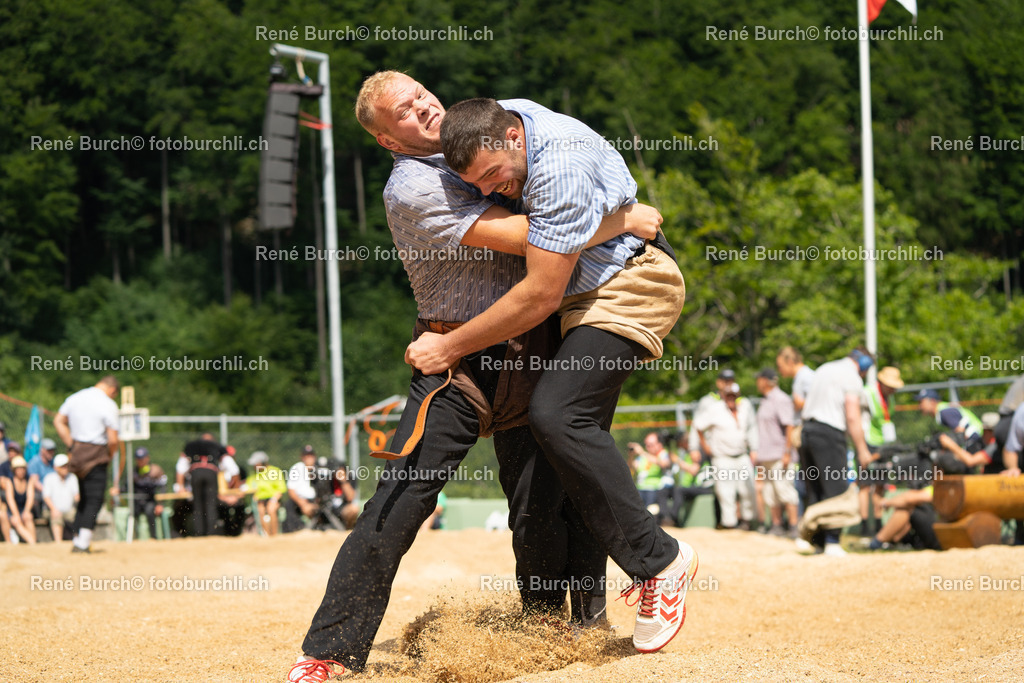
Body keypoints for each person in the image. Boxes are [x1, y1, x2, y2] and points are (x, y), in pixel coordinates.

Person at [288, 72, 661, 682]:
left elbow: (559, 202)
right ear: (388, 141)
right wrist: (621, 219)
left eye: (419, 93)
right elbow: (533, 237)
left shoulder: (487, 138)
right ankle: (330, 650)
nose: (421, 107)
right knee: (402, 497)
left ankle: (553, 632)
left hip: (532, 346)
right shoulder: (413, 184)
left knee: (543, 503)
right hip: (456, 359)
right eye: (403, 111)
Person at [412, 95, 697, 653]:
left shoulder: (559, 164)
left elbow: (540, 292)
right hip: (583, 297)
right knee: (571, 448)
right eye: (477, 184)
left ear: (513, 138)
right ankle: (587, 623)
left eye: (493, 176)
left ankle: (661, 562)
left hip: (626, 286)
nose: (491, 190)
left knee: (558, 415)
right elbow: (541, 234)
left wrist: (448, 347)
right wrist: (616, 219)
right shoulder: (504, 122)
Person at [797, 348, 875, 556]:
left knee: (815, 489)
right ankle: (832, 542)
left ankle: (816, 542)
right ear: (864, 365)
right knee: (836, 488)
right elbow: (852, 416)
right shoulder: (851, 376)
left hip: (806, 432)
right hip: (829, 434)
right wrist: (862, 449)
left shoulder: (824, 368)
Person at [53, 375, 120, 553]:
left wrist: (71, 445)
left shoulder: (75, 398)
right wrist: (110, 455)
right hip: (97, 454)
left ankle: (77, 538)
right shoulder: (108, 404)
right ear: (112, 390)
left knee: (84, 497)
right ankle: (83, 543)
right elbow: (113, 440)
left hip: (77, 455)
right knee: (95, 499)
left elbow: (58, 421)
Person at [693, 382, 759, 530]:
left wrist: (754, 449)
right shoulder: (715, 409)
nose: (731, 399)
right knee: (726, 492)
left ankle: (747, 521)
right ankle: (730, 524)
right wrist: (705, 446)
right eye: (728, 395)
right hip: (722, 457)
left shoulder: (744, 408)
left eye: (733, 396)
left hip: (742, 455)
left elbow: (751, 429)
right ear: (723, 396)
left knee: (747, 490)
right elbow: (698, 425)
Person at [859, 366, 904, 536]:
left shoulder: (890, 398)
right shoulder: (868, 393)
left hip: (883, 445)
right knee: (865, 485)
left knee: (879, 484)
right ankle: (864, 526)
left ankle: (878, 525)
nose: (893, 390)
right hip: (867, 443)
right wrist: (862, 449)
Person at [754, 368, 799, 537]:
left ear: (765, 381)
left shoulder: (781, 399)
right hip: (766, 455)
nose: (757, 382)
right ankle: (776, 525)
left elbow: (789, 426)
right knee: (770, 493)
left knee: (785, 490)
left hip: (779, 454)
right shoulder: (765, 400)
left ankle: (793, 527)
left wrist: (787, 452)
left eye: (759, 379)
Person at [176, 435, 226, 537]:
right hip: (211, 473)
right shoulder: (217, 446)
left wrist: (180, 486)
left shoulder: (191, 446)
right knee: (211, 504)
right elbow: (232, 467)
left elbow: (180, 467)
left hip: (196, 473)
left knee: (197, 504)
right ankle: (212, 532)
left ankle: (199, 533)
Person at [916, 389, 985, 454]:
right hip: (977, 438)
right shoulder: (942, 409)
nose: (920, 406)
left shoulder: (944, 412)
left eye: (921, 402)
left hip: (977, 438)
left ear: (932, 401)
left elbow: (960, 432)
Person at [121, 447, 166, 540]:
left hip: (150, 500)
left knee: (150, 511)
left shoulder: (155, 470)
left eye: (142, 458)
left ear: (147, 458)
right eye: (138, 459)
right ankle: (133, 538)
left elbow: (163, 487)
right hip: (137, 501)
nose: (140, 461)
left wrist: (160, 504)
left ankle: (153, 537)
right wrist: (117, 490)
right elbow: (125, 487)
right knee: (132, 513)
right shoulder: (133, 472)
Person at [246, 451, 287, 536]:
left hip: (273, 498)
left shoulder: (275, 471)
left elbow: (281, 489)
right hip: (260, 500)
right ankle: (266, 535)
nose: (254, 466)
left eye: (256, 464)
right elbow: (250, 488)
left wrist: (273, 500)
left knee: (271, 509)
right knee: (260, 511)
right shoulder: (253, 474)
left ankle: (274, 535)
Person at [43, 453, 79, 542]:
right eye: (62, 466)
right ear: (56, 467)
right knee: (56, 516)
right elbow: (46, 497)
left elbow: (77, 497)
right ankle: (58, 543)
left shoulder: (73, 477)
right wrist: (54, 509)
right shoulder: (49, 478)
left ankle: (78, 541)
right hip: (52, 510)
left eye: (66, 466)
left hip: (70, 511)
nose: (65, 468)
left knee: (79, 516)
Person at [628, 432, 669, 509]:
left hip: (654, 489)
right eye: (646, 445)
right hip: (640, 489)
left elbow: (664, 464)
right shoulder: (643, 457)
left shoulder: (662, 454)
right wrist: (631, 456)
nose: (648, 447)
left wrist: (642, 452)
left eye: (651, 445)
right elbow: (630, 467)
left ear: (659, 445)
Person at [284, 445, 319, 533]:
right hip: (300, 499)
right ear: (302, 457)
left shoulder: (320, 468)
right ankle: (295, 531)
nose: (308, 458)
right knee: (289, 504)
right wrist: (303, 504)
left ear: (314, 457)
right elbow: (291, 490)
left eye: (310, 455)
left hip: (316, 500)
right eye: (306, 456)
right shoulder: (297, 468)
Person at [4, 456, 37, 544]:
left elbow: (30, 498)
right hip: (12, 511)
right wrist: (16, 514)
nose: (21, 471)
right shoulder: (9, 481)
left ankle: (33, 543)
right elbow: (10, 500)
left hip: (24, 509)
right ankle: (32, 542)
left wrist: (26, 511)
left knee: (28, 517)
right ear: (14, 470)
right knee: (16, 521)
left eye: (22, 468)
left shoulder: (29, 480)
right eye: (18, 468)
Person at [27, 437, 58, 518]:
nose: (51, 452)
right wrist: (48, 492)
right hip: (40, 492)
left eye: (52, 450)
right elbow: (35, 482)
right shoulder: (34, 462)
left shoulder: (53, 462)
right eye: (49, 450)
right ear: (42, 450)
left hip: (53, 491)